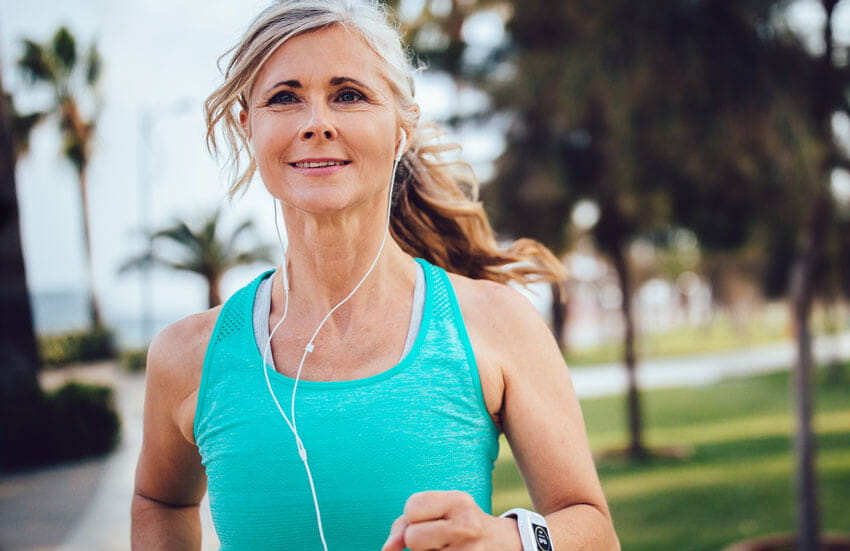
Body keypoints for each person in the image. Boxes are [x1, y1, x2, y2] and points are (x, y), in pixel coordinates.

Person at [131, 1, 619, 549]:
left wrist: (506, 541)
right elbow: (160, 500)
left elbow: (593, 528)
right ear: (250, 127)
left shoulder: (496, 325)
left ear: (400, 129)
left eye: (349, 95)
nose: (317, 123)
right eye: (284, 98)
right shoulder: (186, 357)